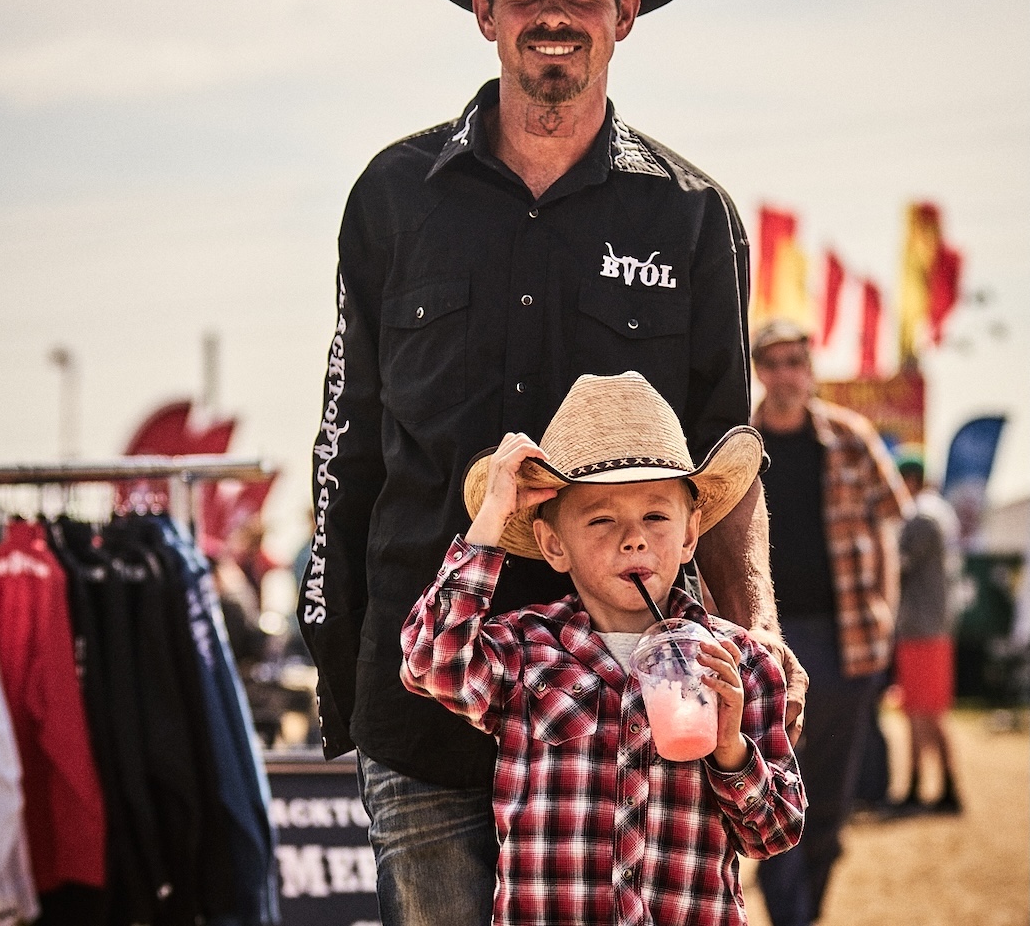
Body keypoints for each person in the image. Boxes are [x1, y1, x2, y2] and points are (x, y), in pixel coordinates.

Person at [298, 0, 805, 925]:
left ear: (627, 11)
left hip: (626, 713)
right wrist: (337, 660)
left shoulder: (690, 218)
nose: (554, 14)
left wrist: (755, 628)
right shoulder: (392, 197)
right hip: (426, 700)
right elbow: (347, 448)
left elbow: (728, 457)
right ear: (483, 11)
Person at [401, 372, 806, 925]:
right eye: (601, 519)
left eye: (656, 517)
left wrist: (730, 747)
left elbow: (776, 832)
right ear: (553, 545)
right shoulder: (525, 650)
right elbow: (430, 660)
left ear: (690, 536)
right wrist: (491, 517)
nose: (633, 538)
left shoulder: (740, 664)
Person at [750, 318, 910, 926]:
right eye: (774, 362)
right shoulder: (740, 445)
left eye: (796, 361)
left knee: (832, 796)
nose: (786, 374)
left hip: (848, 640)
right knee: (773, 784)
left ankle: (805, 909)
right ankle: (789, 909)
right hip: (769, 643)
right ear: (759, 370)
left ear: (809, 368)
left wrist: (887, 617)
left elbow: (889, 527)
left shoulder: (851, 437)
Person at [892, 447, 964, 813]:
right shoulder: (937, 512)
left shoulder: (921, 518)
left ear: (910, 480)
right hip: (929, 627)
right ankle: (934, 789)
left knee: (925, 714)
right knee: (925, 712)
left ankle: (928, 789)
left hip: (922, 628)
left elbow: (895, 566)